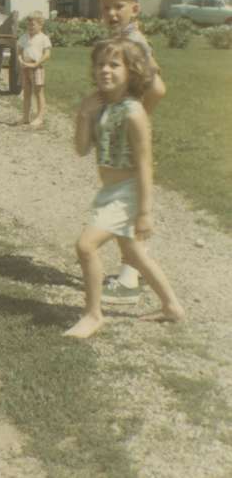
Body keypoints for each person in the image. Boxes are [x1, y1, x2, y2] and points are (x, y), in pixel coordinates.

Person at [64, 38, 184, 338]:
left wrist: (145, 212)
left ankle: (93, 315)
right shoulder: (102, 106)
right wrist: (83, 113)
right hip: (109, 192)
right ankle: (172, 306)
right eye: (100, 64)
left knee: (86, 246)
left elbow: (145, 165)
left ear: (131, 72)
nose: (105, 70)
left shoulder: (134, 112)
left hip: (128, 192)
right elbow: (80, 149)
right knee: (132, 253)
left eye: (114, 65)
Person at [98, 0, 166, 304]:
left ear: (135, 9)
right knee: (122, 201)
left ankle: (130, 279)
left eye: (119, 7)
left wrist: (137, 118)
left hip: (129, 135)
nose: (112, 13)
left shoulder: (134, 41)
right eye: (107, 7)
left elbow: (157, 88)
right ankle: (130, 273)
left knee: (125, 204)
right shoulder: (126, 38)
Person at [17, 12, 51, 127]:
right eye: (29, 25)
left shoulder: (43, 38)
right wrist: (21, 61)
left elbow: (47, 54)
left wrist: (36, 63)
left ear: (40, 25)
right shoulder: (24, 36)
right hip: (25, 66)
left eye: (33, 25)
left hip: (37, 67)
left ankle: (39, 117)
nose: (30, 27)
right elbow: (19, 51)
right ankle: (25, 117)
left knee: (38, 92)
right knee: (26, 92)